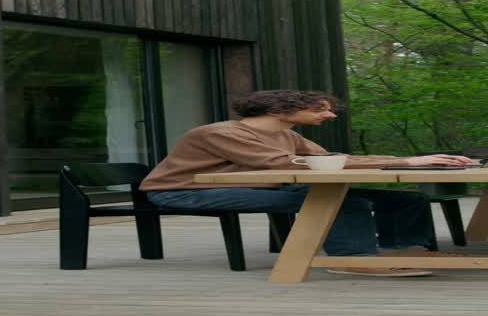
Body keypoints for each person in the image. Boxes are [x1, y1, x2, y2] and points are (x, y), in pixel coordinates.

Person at [140, 89, 471, 277]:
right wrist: (408, 162)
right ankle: (353, 261)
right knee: (342, 200)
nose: (329, 115)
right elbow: (278, 164)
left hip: (263, 186)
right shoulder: (219, 133)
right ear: (285, 109)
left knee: (404, 199)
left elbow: (329, 160)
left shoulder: (287, 134)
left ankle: (405, 250)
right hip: (186, 193)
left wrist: (411, 161)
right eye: (321, 110)